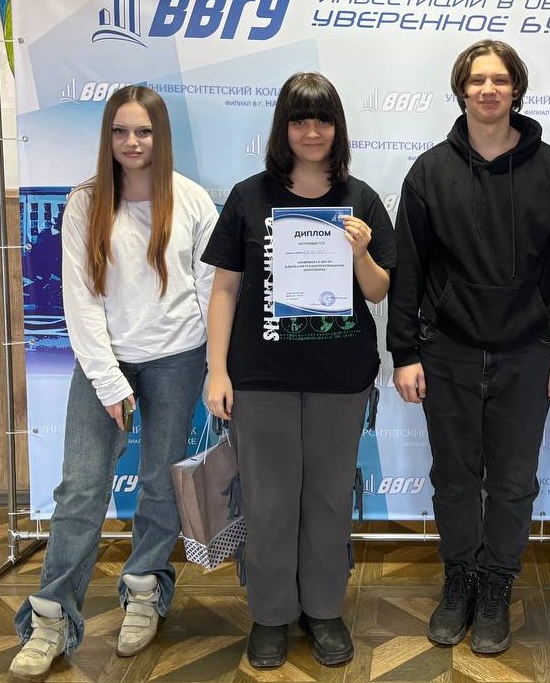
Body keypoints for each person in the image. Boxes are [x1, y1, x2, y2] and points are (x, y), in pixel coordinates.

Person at [387, 39, 550, 655]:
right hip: (446, 350)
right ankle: (460, 582)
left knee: (512, 481)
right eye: (477, 80)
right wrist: (404, 352)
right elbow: (408, 270)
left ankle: (498, 584)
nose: (488, 90)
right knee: (453, 480)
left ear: (515, 90)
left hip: (528, 352)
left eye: (499, 80)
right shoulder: (429, 172)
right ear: (461, 90)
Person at [10, 86, 216, 681]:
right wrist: (107, 381)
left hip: (178, 359)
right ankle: (51, 619)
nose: (131, 142)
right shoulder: (86, 202)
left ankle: (145, 589)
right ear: (108, 136)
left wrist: (216, 365)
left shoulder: (193, 200)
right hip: (105, 363)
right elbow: (79, 299)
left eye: (143, 131)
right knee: (81, 486)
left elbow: (210, 289)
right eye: (120, 131)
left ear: (160, 135)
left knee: (160, 484)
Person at [202, 72, 396, 670]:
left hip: (341, 378)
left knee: (329, 501)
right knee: (268, 502)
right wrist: (216, 370)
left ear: (338, 127)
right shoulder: (249, 196)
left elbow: (379, 291)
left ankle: (324, 610)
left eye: (323, 120)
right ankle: (270, 615)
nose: (312, 132)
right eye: (299, 120)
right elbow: (224, 289)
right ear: (282, 128)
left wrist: (360, 252)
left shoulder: (361, 198)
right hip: (260, 378)